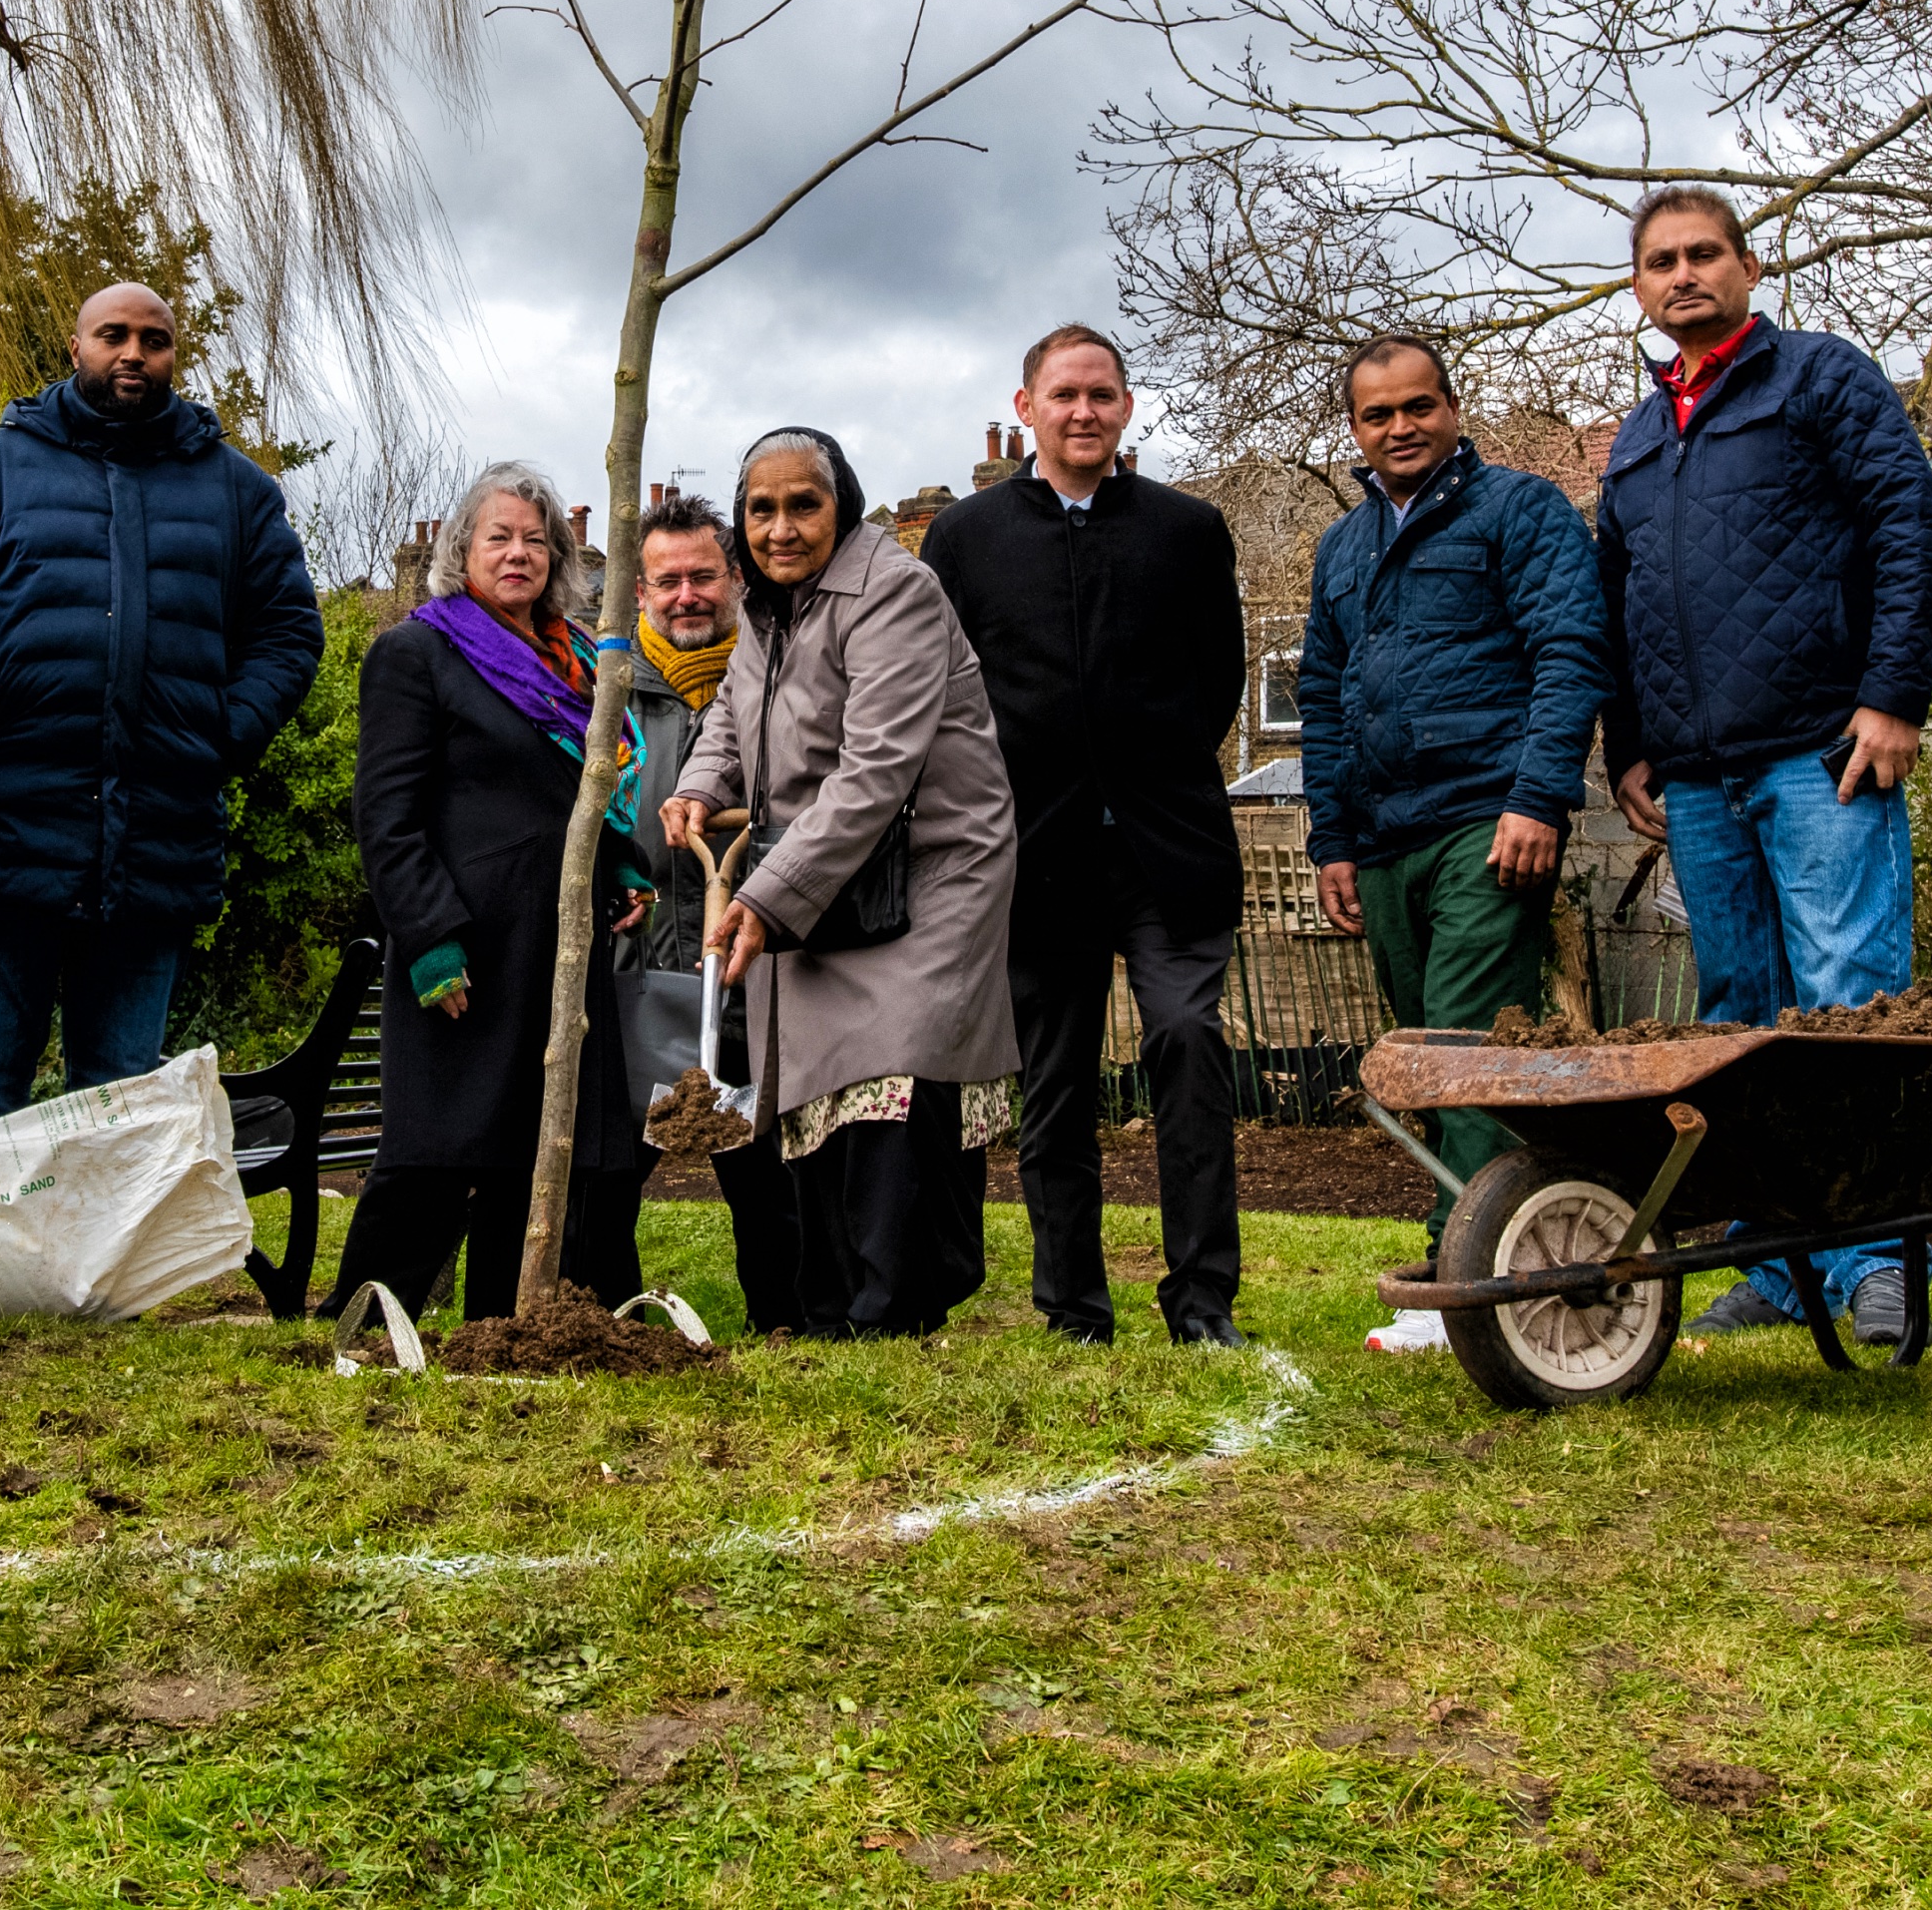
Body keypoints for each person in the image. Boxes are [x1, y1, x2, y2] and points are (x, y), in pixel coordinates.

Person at [1594, 187, 1932, 1348]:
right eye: (1661, 262)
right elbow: (1621, 602)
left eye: (1704, 254)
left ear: (1747, 268)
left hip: (1820, 753)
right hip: (1699, 778)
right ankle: (1780, 1268)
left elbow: (1909, 526)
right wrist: (1631, 747)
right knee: (1738, 1019)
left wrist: (1894, 696)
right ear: (1639, 289)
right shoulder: (1641, 441)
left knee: (1849, 1005)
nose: (1683, 275)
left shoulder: (1820, 380)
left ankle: (1877, 1266)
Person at [0, 280, 323, 1135]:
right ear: (75, 348)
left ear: (175, 355)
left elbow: (289, 634)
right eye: (113, 335)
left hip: (155, 843)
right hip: (6, 837)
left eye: (154, 339)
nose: (134, 353)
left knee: (117, 1098)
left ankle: (88, 1277)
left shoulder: (238, 492)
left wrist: (220, 737)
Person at [918, 326, 1254, 1350]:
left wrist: (1146, 764)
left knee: (1189, 1048)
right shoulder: (963, 540)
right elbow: (945, 692)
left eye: (1102, 394)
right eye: (1063, 394)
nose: (1083, 411)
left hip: (1170, 848)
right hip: (1032, 853)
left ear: (1127, 406)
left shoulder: (1188, 531)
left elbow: (1221, 681)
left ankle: (1202, 1303)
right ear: (1025, 408)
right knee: (1056, 1086)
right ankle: (1073, 1306)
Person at [660, 428, 1018, 1339]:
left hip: (931, 870)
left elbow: (876, 771)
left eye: (803, 505)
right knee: (818, 1094)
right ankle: (832, 1312)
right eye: (761, 509)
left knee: (896, 1076)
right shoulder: (768, 610)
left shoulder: (894, 591)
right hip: (830, 874)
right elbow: (735, 716)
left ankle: (895, 1309)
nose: (780, 529)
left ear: (842, 505)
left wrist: (767, 898)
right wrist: (701, 786)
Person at [1293, 334, 1606, 1344]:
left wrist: (1538, 799)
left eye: (1418, 406)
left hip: (1486, 822)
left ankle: (1472, 1276)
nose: (1401, 428)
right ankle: (1489, 1241)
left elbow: (1570, 651)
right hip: (1383, 839)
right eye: (1379, 415)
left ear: (1453, 407)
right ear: (1355, 429)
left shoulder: (1520, 511)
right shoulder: (1343, 548)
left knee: (1470, 1042)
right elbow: (1322, 699)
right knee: (1428, 1054)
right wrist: (1331, 838)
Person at [323, 463, 650, 1323]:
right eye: (497, 537)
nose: (518, 553)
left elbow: (579, 795)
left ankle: (513, 1326)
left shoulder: (584, 663)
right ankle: (361, 1325)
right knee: (441, 1146)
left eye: (535, 539)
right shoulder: (417, 650)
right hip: (464, 948)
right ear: (460, 549)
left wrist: (618, 866)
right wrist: (429, 936)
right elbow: (386, 817)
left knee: (546, 1146)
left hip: (557, 944)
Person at [611, 489, 805, 1332]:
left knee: (766, 1168)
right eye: (667, 581)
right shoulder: (607, 691)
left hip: (752, 961)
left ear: (734, 578)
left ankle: (789, 1320)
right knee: (611, 1165)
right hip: (641, 964)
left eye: (702, 576)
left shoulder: (775, 677)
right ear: (642, 591)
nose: (685, 595)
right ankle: (598, 1312)